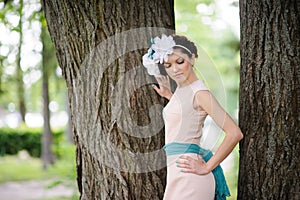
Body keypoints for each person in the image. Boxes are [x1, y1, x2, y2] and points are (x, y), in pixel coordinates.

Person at [142, 34, 243, 200]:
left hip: (190, 174)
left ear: (193, 58)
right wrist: (170, 96)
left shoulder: (200, 93)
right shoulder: (183, 91)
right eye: (168, 65)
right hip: (176, 173)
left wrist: (207, 167)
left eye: (180, 62)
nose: (174, 69)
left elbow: (234, 133)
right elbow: (188, 114)